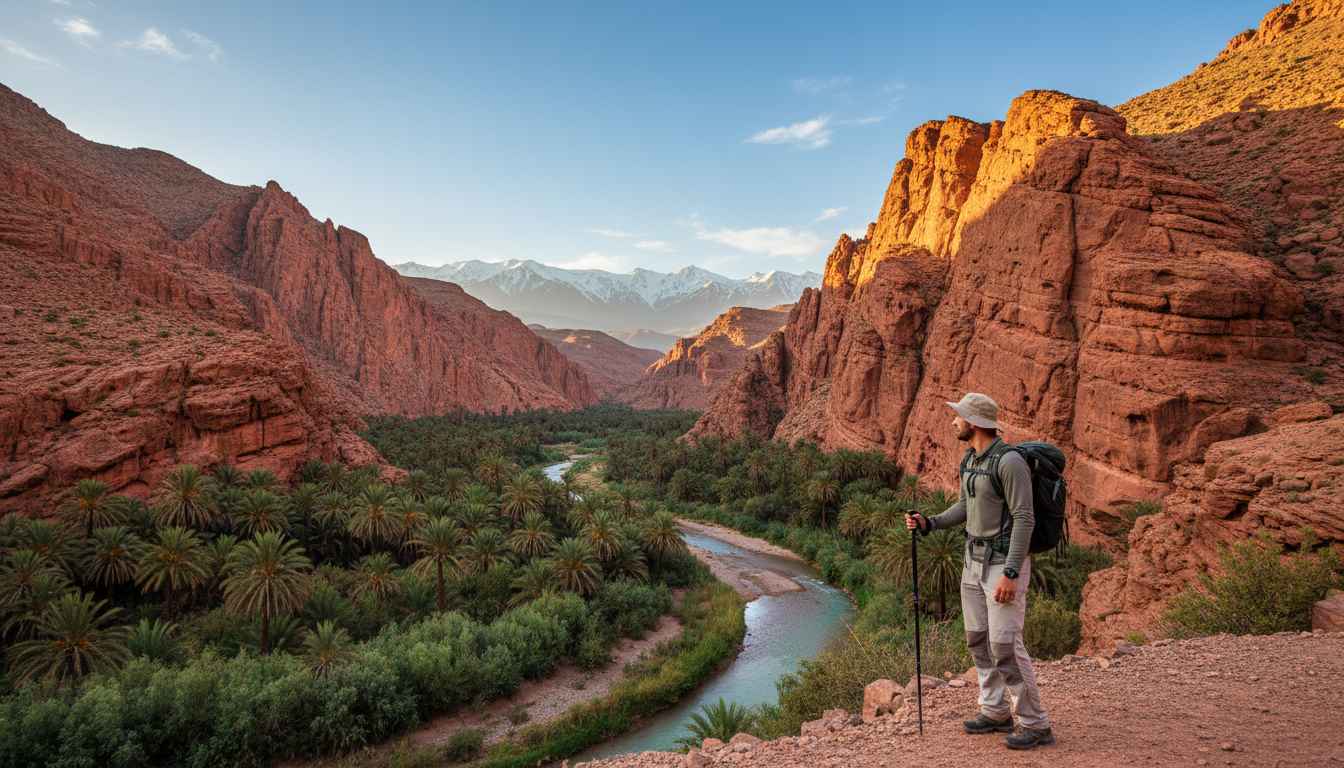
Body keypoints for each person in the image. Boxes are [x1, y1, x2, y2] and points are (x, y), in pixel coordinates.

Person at [904, 392, 1052, 750]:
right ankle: (995, 710)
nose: (953, 421)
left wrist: (1012, 573)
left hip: (1002, 564)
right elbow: (965, 506)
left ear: (973, 422)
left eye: (958, 416)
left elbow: (1024, 518)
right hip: (972, 562)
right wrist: (930, 523)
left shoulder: (1009, 462)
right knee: (978, 639)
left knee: (1005, 646)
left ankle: (1036, 724)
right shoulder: (970, 458)